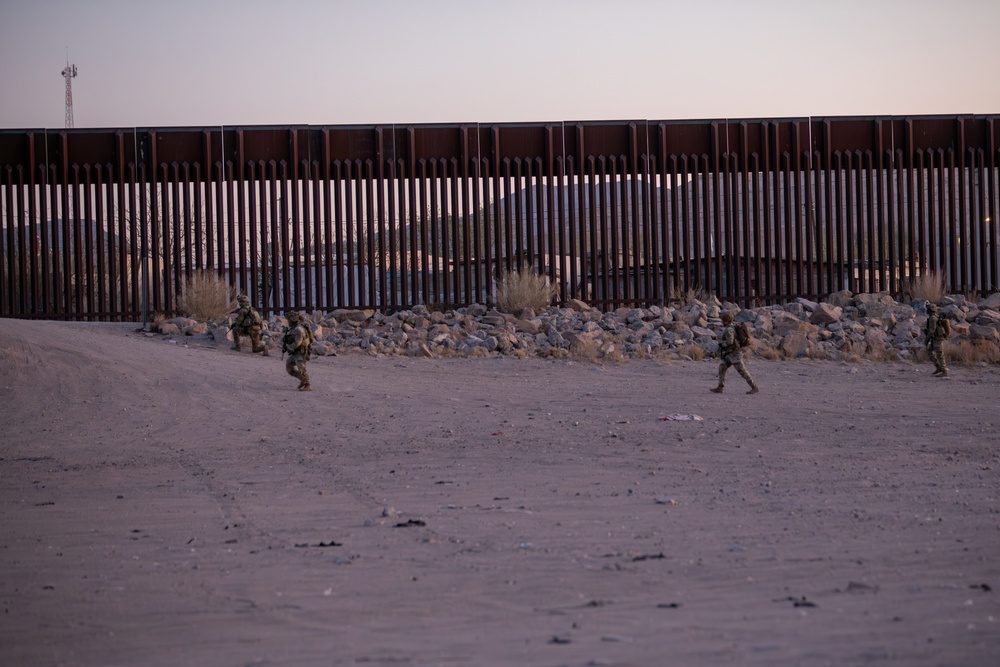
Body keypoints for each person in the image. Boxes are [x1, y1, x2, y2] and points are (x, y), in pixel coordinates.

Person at [711, 310, 759, 394]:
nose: (722, 322)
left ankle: (754, 387)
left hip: (735, 354)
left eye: (723, 320)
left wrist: (722, 344)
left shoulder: (729, 329)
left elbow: (730, 341)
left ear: (726, 320)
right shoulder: (732, 327)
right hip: (730, 354)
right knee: (722, 368)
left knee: (742, 371)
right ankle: (720, 387)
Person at [283, 310, 313, 391]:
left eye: (289, 319)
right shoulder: (294, 328)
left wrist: (289, 347)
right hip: (295, 352)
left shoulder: (298, 329)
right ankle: (303, 380)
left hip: (300, 352)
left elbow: (298, 342)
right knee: (289, 368)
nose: (288, 321)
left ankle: (307, 385)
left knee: (302, 369)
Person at [924, 302, 950, 377]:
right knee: (929, 351)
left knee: (939, 354)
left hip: (937, 338)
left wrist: (926, 339)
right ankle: (939, 367)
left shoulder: (933, 318)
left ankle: (944, 371)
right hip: (934, 338)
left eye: (928, 309)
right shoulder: (934, 316)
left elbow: (931, 331)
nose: (927, 310)